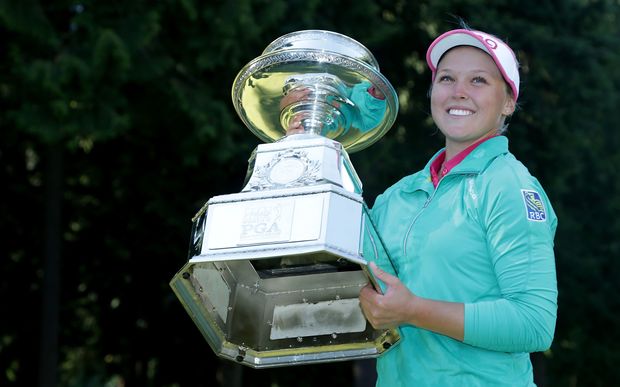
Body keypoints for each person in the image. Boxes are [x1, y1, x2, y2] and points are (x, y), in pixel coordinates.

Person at [358, 27, 558, 386]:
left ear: (508, 102)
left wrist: (414, 311)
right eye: (447, 78)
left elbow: (534, 322)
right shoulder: (397, 197)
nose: (459, 91)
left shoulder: (508, 186)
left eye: (478, 80)